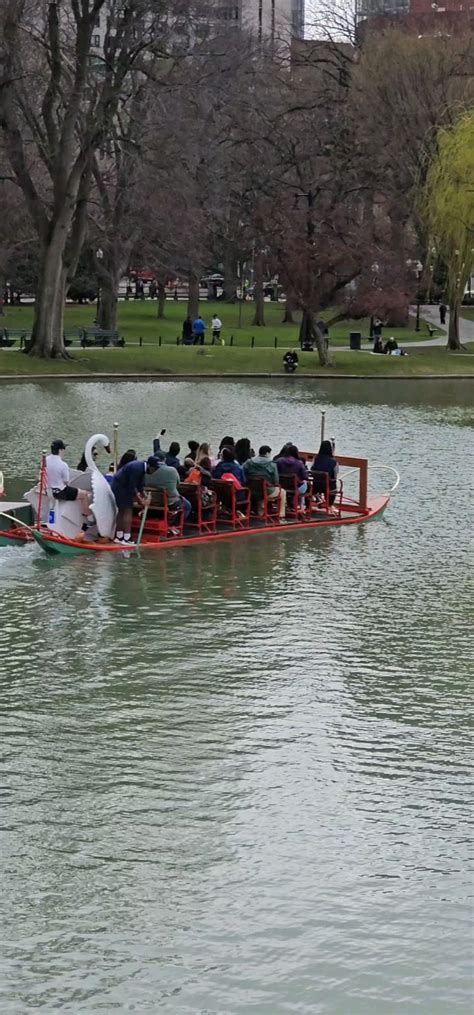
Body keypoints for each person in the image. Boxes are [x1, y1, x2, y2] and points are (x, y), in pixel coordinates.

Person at [111, 455, 159, 545]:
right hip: (120, 487)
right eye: (154, 469)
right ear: (150, 466)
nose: (154, 472)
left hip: (121, 486)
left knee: (122, 510)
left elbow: (140, 486)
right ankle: (126, 538)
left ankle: (119, 536)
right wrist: (141, 501)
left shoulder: (142, 468)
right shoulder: (137, 468)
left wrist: (145, 496)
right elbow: (132, 487)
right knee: (127, 510)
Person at [145, 451, 191, 523]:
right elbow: (178, 484)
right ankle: (176, 524)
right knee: (187, 505)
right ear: (165, 459)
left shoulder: (146, 471)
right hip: (169, 502)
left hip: (151, 501)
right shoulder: (172, 470)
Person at [45, 439, 90, 513]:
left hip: (48, 491)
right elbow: (66, 482)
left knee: (76, 491)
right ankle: (89, 518)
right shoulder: (63, 465)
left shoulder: (45, 460)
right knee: (84, 494)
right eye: (63, 449)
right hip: (60, 492)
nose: (64, 452)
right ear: (60, 450)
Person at [243, 445, 287, 521]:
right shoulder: (272, 464)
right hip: (266, 490)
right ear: (267, 453)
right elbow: (276, 481)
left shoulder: (249, 462)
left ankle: (261, 512)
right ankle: (281, 515)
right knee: (282, 492)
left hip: (251, 490)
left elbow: (243, 472)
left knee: (260, 490)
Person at [275, 444, 308, 511]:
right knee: (306, 484)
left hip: (282, 487)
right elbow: (305, 476)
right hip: (295, 487)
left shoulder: (278, 461)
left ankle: (290, 504)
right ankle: (302, 506)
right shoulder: (299, 463)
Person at [311, 440, 339, 512]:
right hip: (328, 486)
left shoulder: (315, 459)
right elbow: (335, 474)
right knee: (333, 484)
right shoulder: (334, 462)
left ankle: (316, 498)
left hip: (316, 485)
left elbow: (312, 469)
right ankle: (330, 505)